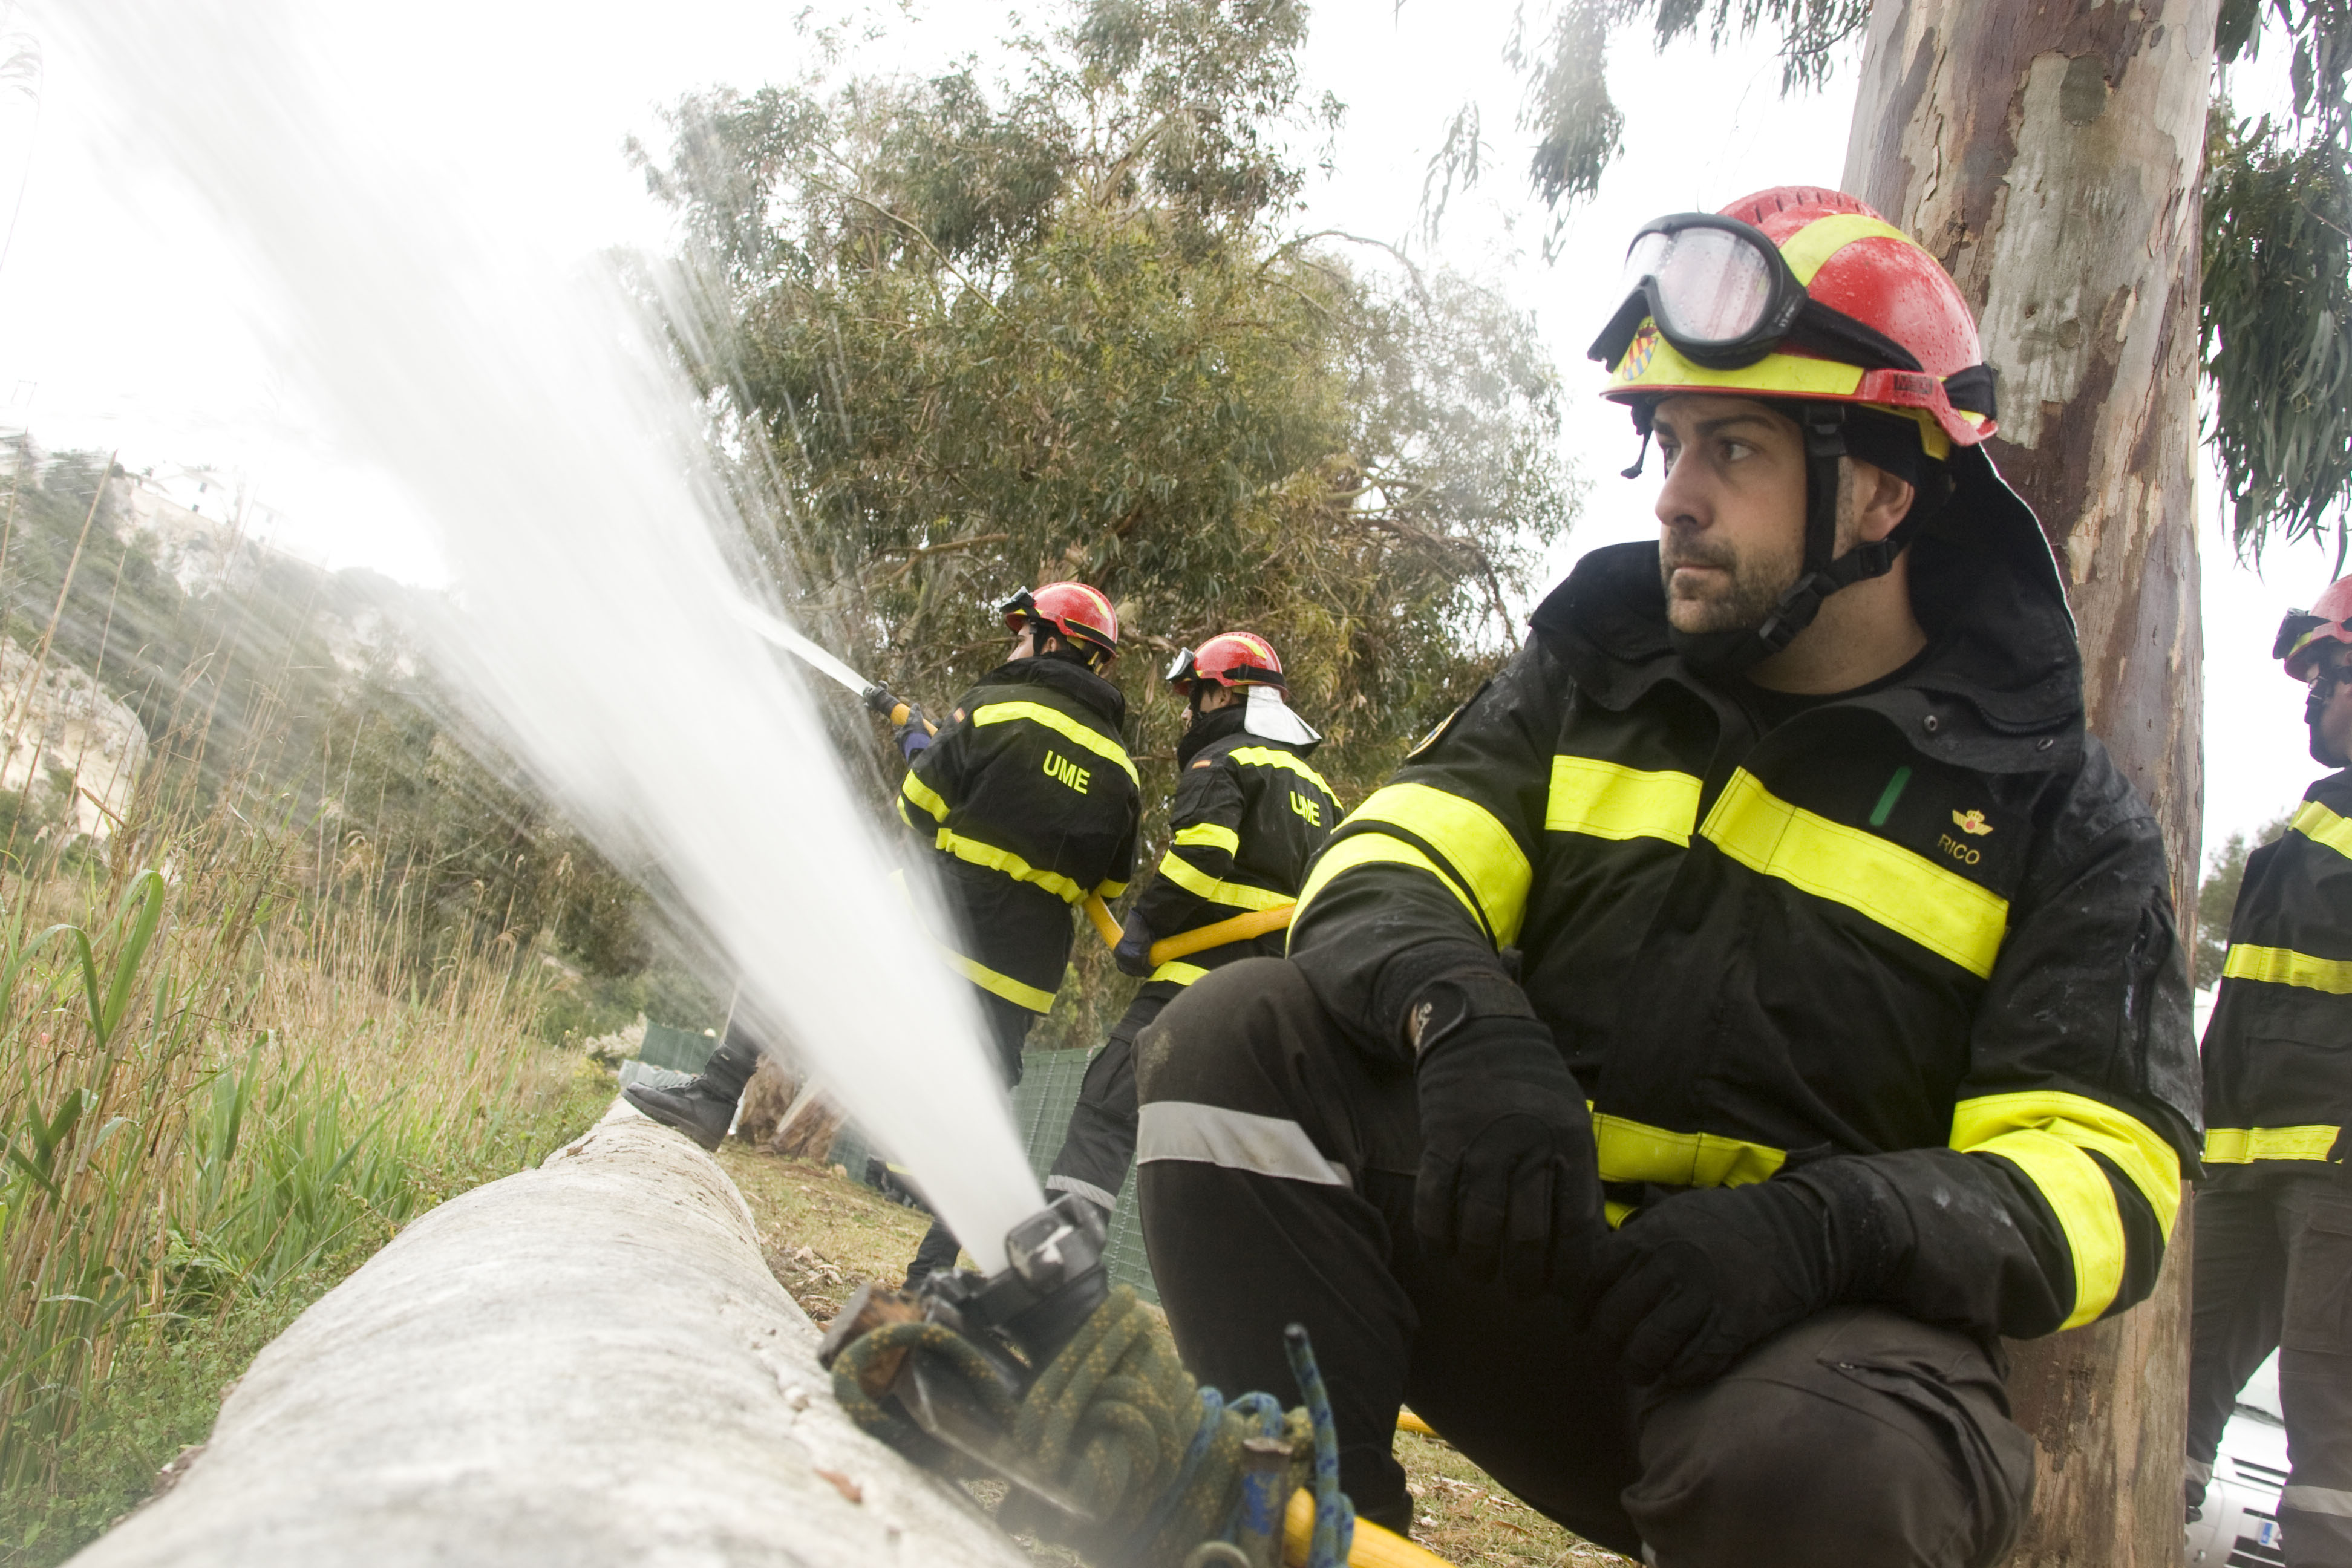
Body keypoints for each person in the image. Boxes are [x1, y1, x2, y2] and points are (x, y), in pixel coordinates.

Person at [1131, 186, 2200, 1568]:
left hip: (1792, 1372)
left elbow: (2107, 1176)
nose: (1674, 497)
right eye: (1671, 441)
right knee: (1231, 1039)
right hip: (1537, 1272)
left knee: (1842, 1463)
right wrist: (1462, 1020)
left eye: (1733, 449)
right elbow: (1388, 855)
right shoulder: (1594, 665)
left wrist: (1826, 1232)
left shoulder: (2056, 811)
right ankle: (1302, 1529)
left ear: (1884, 488)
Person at [627, 584, 1140, 1278]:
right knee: (979, 1121)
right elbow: (1109, 886)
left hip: (940, 926)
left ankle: (716, 1096)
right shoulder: (1122, 772)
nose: (1016, 646)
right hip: (1023, 972)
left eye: (1024, 634)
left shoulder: (995, 705)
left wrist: (925, 746)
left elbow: (919, 809)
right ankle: (932, 1275)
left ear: (1053, 641)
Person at [1044, 632, 1339, 1221]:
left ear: (1224, 696)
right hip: (1273, 1007)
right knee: (1214, 1151)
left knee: (1109, 1105)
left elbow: (1204, 853)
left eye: (1195, 695)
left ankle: (1062, 1251)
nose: (1186, 713)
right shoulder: (1321, 791)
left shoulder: (1223, 760)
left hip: (1193, 983)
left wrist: (1144, 926)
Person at [2186, 577, 2352, 1564]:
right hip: (2240, 1164)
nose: (2309, 695)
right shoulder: (2320, 817)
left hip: (2337, 1171)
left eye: (2330, 671)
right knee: (2169, 1404)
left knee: (2331, 1451)